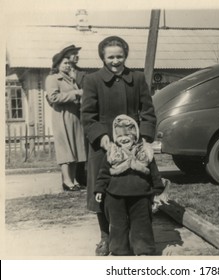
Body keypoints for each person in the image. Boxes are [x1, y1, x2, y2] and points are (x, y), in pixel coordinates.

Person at [81, 35, 163, 256]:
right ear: (103, 57)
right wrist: (101, 138)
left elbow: (147, 112)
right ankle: (106, 237)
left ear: (125, 55)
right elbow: (88, 116)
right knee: (103, 191)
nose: (115, 61)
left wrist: (144, 139)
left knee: (136, 187)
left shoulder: (137, 79)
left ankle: (137, 239)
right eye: (110, 57)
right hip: (103, 145)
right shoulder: (93, 80)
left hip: (134, 143)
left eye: (119, 56)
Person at [94, 115, 167, 256]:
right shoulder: (112, 152)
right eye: (120, 136)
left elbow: (154, 173)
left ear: (135, 135)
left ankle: (143, 249)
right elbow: (103, 173)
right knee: (118, 225)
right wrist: (99, 190)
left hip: (140, 195)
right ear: (115, 137)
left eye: (128, 135)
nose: (124, 138)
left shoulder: (144, 151)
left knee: (142, 224)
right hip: (115, 195)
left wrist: (157, 191)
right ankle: (119, 250)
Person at [45, 48, 87, 191]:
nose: (67, 66)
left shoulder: (71, 79)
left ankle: (74, 180)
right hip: (62, 115)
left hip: (74, 115)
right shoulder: (52, 78)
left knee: (75, 148)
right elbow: (53, 97)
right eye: (64, 63)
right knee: (65, 149)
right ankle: (66, 181)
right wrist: (75, 93)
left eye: (69, 63)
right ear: (57, 65)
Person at [61, 44, 88, 187]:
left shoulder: (82, 74)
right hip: (68, 114)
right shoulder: (59, 74)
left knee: (81, 146)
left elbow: (86, 90)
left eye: (77, 54)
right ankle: (68, 179)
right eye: (73, 54)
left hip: (81, 113)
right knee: (69, 146)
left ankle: (80, 178)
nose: (76, 56)